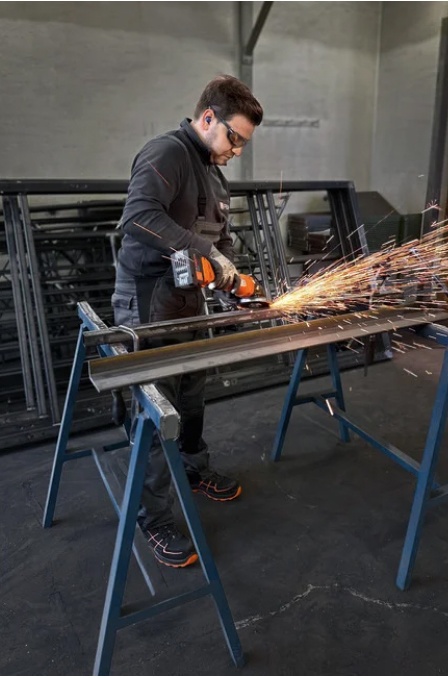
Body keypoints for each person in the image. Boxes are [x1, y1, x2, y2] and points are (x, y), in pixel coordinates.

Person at [112, 74, 263, 568]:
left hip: (187, 301)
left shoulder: (213, 173)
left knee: (194, 391)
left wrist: (232, 277)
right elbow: (137, 216)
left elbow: (216, 241)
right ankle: (152, 520)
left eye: (242, 143)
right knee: (160, 413)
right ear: (207, 119)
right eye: (233, 138)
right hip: (148, 302)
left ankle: (194, 468)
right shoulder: (167, 153)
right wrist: (204, 252)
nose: (236, 150)